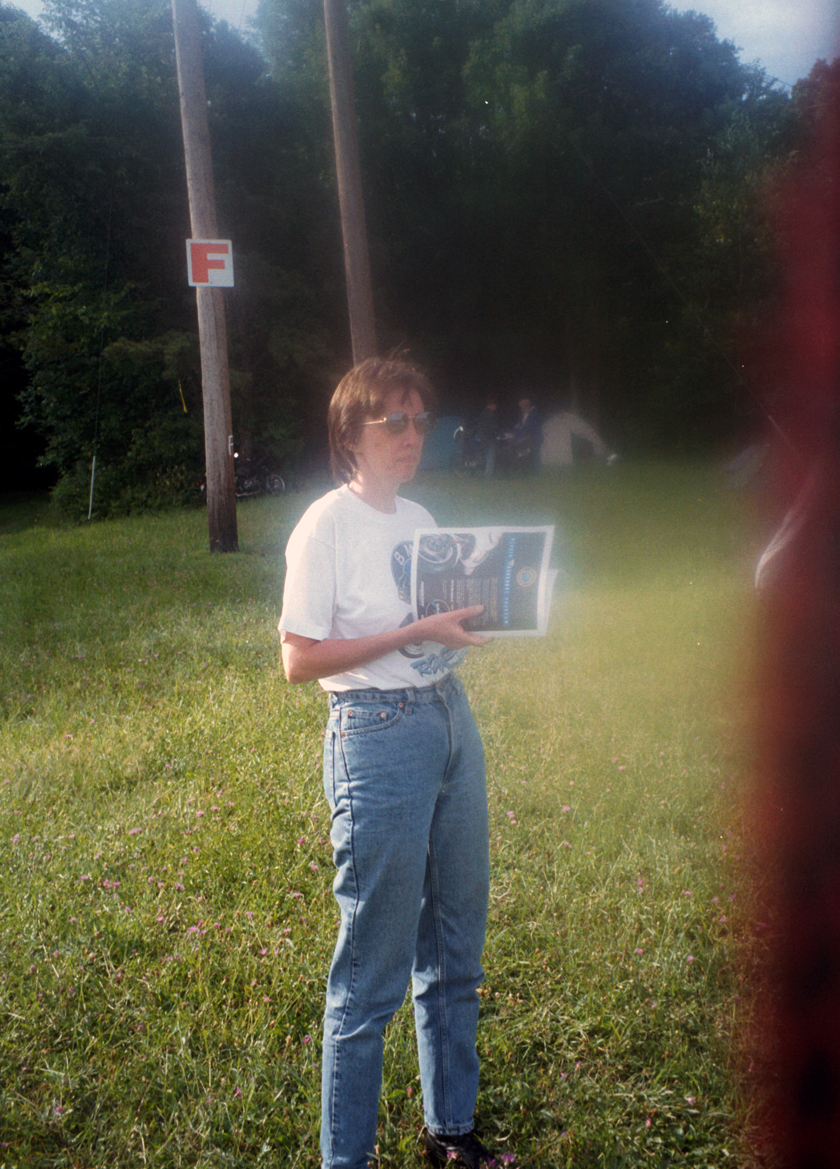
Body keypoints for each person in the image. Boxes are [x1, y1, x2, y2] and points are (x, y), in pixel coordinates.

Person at [278, 355, 497, 1169]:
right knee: (370, 974)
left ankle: (451, 1133)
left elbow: (428, 623)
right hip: (374, 734)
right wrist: (413, 636)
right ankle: (349, 1161)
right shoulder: (324, 525)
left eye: (419, 421)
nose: (410, 436)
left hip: (447, 722)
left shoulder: (419, 515)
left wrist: (471, 626)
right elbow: (299, 659)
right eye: (391, 421)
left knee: (453, 948)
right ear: (350, 434)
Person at [513, 396, 543, 472]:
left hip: (534, 438)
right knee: (531, 454)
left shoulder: (533, 414)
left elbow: (529, 427)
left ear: (526, 407)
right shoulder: (526, 414)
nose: (522, 410)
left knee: (535, 454)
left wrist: (518, 429)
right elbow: (523, 426)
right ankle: (532, 471)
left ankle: (537, 472)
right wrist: (518, 428)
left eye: (522, 408)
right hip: (529, 438)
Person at [475, 400, 500, 478]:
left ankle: (486, 474)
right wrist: (500, 434)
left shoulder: (483, 413)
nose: (496, 407)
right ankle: (488, 475)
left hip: (483, 438)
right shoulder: (491, 414)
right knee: (491, 457)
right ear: (492, 405)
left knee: (487, 457)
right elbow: (493, 427)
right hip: (490, 439)